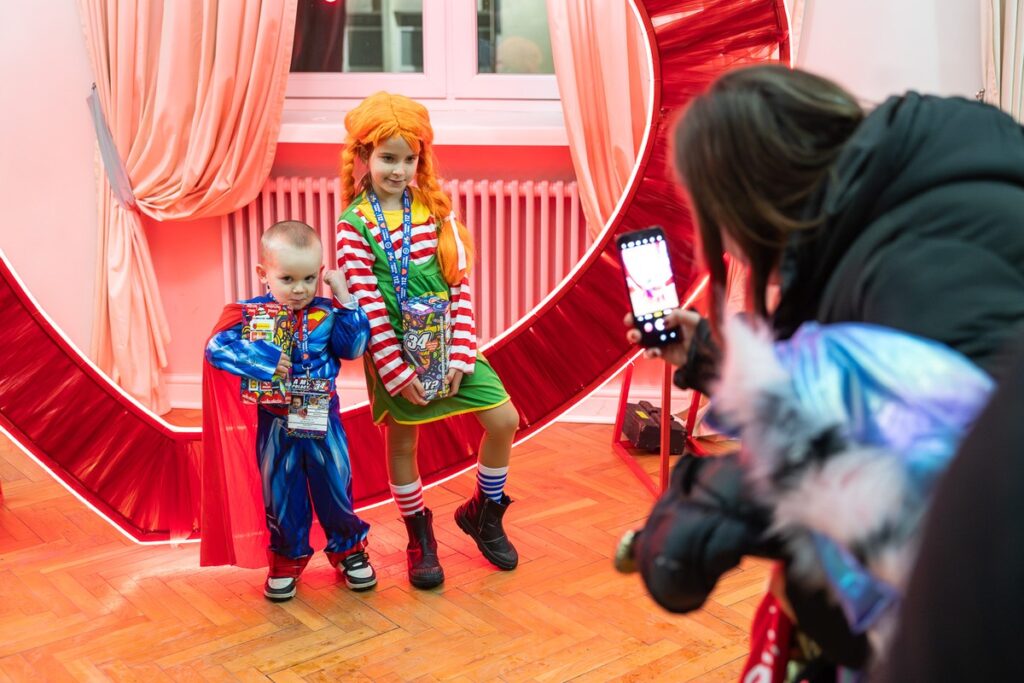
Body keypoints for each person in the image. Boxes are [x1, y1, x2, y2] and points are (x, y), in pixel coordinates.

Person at [623, 64, 1024, 673]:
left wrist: (719, 508)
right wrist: (709, 359)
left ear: (747, 208)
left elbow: (933, 494)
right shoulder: (919, 181)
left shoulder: (901, 275)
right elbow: (870, 393)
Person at [336, 92, 522, 590]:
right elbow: (370, 308)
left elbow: (459, 286)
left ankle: (484, 512)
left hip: (448, 341)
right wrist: (395, 370)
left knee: (503, 418)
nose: (399, 170)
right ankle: (420, 534)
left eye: (409, 158)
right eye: (387, 158)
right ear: (362, 158)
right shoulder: (353, 227)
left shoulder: (437, 211)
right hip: (394, 353)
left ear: (422, 158)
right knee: (402, 442)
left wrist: (461, 351)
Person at [202, 221, 375, 602]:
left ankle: (348, 549)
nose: (299, 289)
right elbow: (215, 348)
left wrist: (345, 299)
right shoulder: (249, 314)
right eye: (288, 278)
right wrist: (262, 359)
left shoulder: (329, 312)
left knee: (335, 486)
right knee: (280, 492)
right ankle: (286, 558)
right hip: (275, 420)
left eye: (309, 278)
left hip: (321, 414)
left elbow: (355, 347)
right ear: (264, 274)